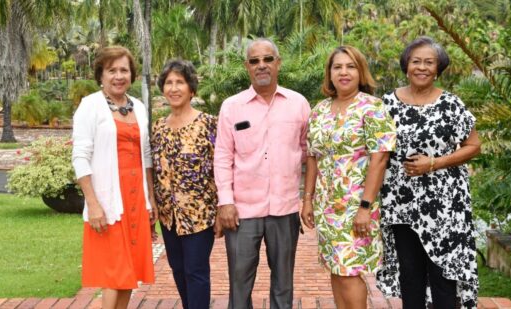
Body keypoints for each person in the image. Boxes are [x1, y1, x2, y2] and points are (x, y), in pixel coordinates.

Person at [375, 36, 482, 308]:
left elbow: (474, 145)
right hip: (401, 203)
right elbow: (376, 152)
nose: (422, 67)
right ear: (406, 66)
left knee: (443, 274)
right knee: (410, 274)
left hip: (446, 205)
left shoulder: (451, 104)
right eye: (416, 61)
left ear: (438, 68)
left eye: (429, 62)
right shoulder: (386, 104)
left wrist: (434, 163)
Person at [213, 38, 311, 309]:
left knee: (283, 285)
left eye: (268, 59)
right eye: (255, 61)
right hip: (242, 211)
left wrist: (306, 198)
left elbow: (307, 151)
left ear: (278, 63)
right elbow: (222, 156)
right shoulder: (232, 107)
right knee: (239, 284)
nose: (262, 65)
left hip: (285, 208)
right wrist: (226, 202)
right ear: (247, 67)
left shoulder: (298, 104)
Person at [301, 46, 396, 309]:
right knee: (336, 267)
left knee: (350, 270)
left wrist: (365, 207)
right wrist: (307, 200)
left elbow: (380, 159)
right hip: (327, 206)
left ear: (360, 72)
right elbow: (312, 156)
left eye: (350, 66)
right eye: (337, 67)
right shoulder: (319, 109)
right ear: (329, 73)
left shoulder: (372, 107)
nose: (343, 72)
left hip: (357, 205)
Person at [72, 46, 155, 309]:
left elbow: (147, 157)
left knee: (128, 275)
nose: (118, 76)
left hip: (136, 201)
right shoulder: (90, 106)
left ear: (131, 74)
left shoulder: (139, 107)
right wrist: (93, 203)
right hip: (109, 202)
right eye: (112, 70)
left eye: (124, 70)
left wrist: (150, 201)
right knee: (114, 272)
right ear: (101, 75)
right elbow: (80, 157)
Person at [150, 59, 217, 309]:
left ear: (191, 89)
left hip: (199, 214)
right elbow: (154, 170)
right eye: (169, 83)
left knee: (196, 272)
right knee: (178, 269)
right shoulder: (158, 128)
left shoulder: (208, 124)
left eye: (180, 82)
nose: (174, 88)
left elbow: (221, 168)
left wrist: (222, 209)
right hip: (168, 215)